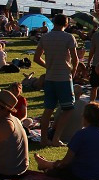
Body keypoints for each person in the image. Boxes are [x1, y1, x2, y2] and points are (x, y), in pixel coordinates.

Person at [34, 101, 99, 180]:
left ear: (85, 117)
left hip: (85, 176)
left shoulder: (82, 134)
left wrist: (56, 164)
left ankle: (45, 165)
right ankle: (46, 163)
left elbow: (66, 162)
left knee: (56, 171)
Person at [33, 14, 79, 147]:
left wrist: (48, 66)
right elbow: (75, 59)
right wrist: (73, 72)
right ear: (66, 24)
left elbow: (36, 58)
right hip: (63, 77)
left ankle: (43, 139)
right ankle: (55, 138)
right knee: (68, 108)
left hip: (50, 77)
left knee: (48, 109)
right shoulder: (69, 37)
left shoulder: (45, 37)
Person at [0, 90, 29, 179]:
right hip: (20, 168)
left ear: (3, 109)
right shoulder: (15, 119)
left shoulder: (3, 125)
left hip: (6, 172)